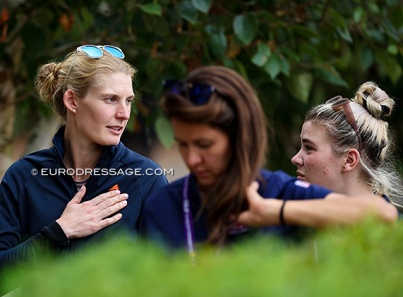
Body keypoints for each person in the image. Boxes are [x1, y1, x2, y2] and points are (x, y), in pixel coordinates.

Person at [0, 45, 168, 297]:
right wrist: (59, 231)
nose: (124, 114)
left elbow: (169, 278)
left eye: (128, 101)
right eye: (110, 99)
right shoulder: (24, 176)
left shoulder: (146, 178)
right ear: (72, 101)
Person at [139, 66, 397, 256]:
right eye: (182, 144)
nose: (192, 159)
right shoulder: (161, 206)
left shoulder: (279, 192)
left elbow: (382, 213)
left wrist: (275, 213)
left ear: (240, 137)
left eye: (205, 145)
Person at [291, 81, 403, 209]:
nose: (295, 159)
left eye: (309, 148)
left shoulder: (394, 228)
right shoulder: (297, 221)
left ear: (349, 160)